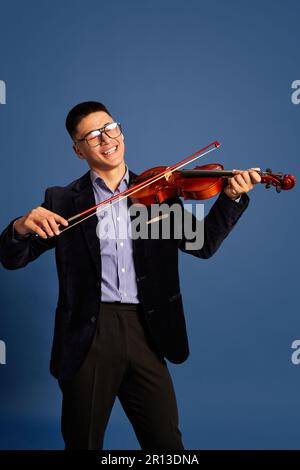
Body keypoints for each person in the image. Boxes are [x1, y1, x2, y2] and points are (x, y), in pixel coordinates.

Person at [0, 101, 261, 450]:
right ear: (78, 150)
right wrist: (20, 227)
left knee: (167, 444)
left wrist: (229, 198)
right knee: (83, 442)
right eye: (92, 135)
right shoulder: (62, 201)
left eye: (111, 127)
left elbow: (204, 244)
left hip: (147, 329)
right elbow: (13, 258)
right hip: (89, 333)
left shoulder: (158, 193)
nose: (106, 138)